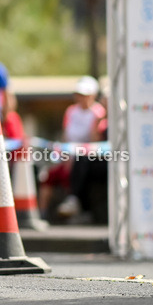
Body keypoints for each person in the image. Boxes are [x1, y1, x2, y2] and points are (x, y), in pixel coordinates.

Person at [54, 76, 106, 220]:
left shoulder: (98, 112)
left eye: (85, 95)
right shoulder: (71, 111)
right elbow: (66, 136)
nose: (81, 98)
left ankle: (76, 202)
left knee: (80, 164)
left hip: (90, 156)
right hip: (71, 154)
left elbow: (96, 140)